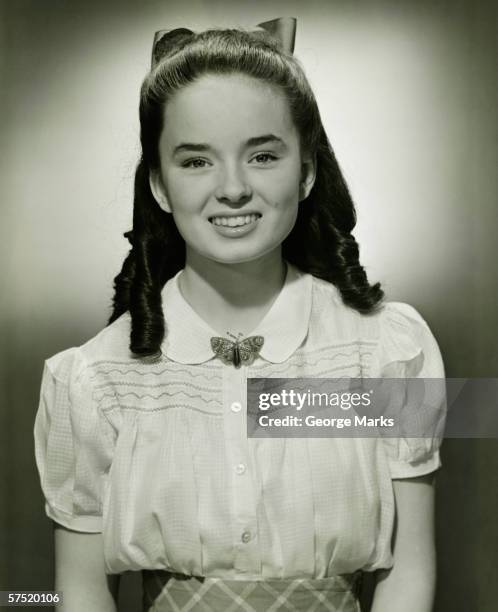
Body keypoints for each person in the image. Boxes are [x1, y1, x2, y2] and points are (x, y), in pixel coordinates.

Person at [34, 18, 446, 612]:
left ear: (305, 171)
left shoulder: (388, 350)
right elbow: (78, 594)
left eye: (262, 155)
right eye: (196, 161)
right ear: (158, 183)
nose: (232, 189)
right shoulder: (95, 380)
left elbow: (408, 574)